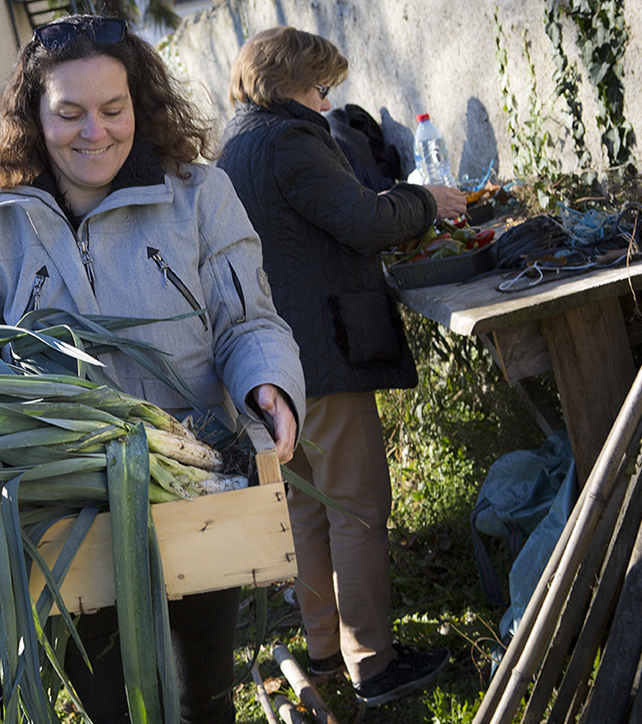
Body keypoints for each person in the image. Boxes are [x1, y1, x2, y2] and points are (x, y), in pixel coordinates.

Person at [0, 14, 306, 724]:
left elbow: (248, 323)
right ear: (33, 116)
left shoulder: (199, 197)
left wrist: (268, 385)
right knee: (112, 709)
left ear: (141, 105)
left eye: (112, 110)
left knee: (203, 702)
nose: (93, 132)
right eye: (68, 113)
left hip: (194, 485)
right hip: (59, 514)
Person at [217, 26, 466, 709]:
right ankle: (374, 665)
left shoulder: (235, 143)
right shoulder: (290, 140)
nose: (327, 103)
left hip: (271, 364)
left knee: (308, 507)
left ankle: (326, 649)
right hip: (321, 354)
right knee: (357, 509)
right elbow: (360, 220)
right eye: (321, 88)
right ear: (290, 84)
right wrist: (426, 202)